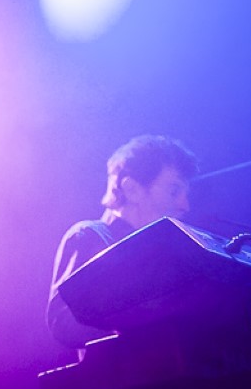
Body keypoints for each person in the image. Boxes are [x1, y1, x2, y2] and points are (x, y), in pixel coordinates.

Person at [47, 134, 198, 352]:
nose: (185, 205)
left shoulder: (162, 255)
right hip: (120, 374)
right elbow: (62, 321)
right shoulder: (90, 235)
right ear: (132, 189)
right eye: (174, 191)